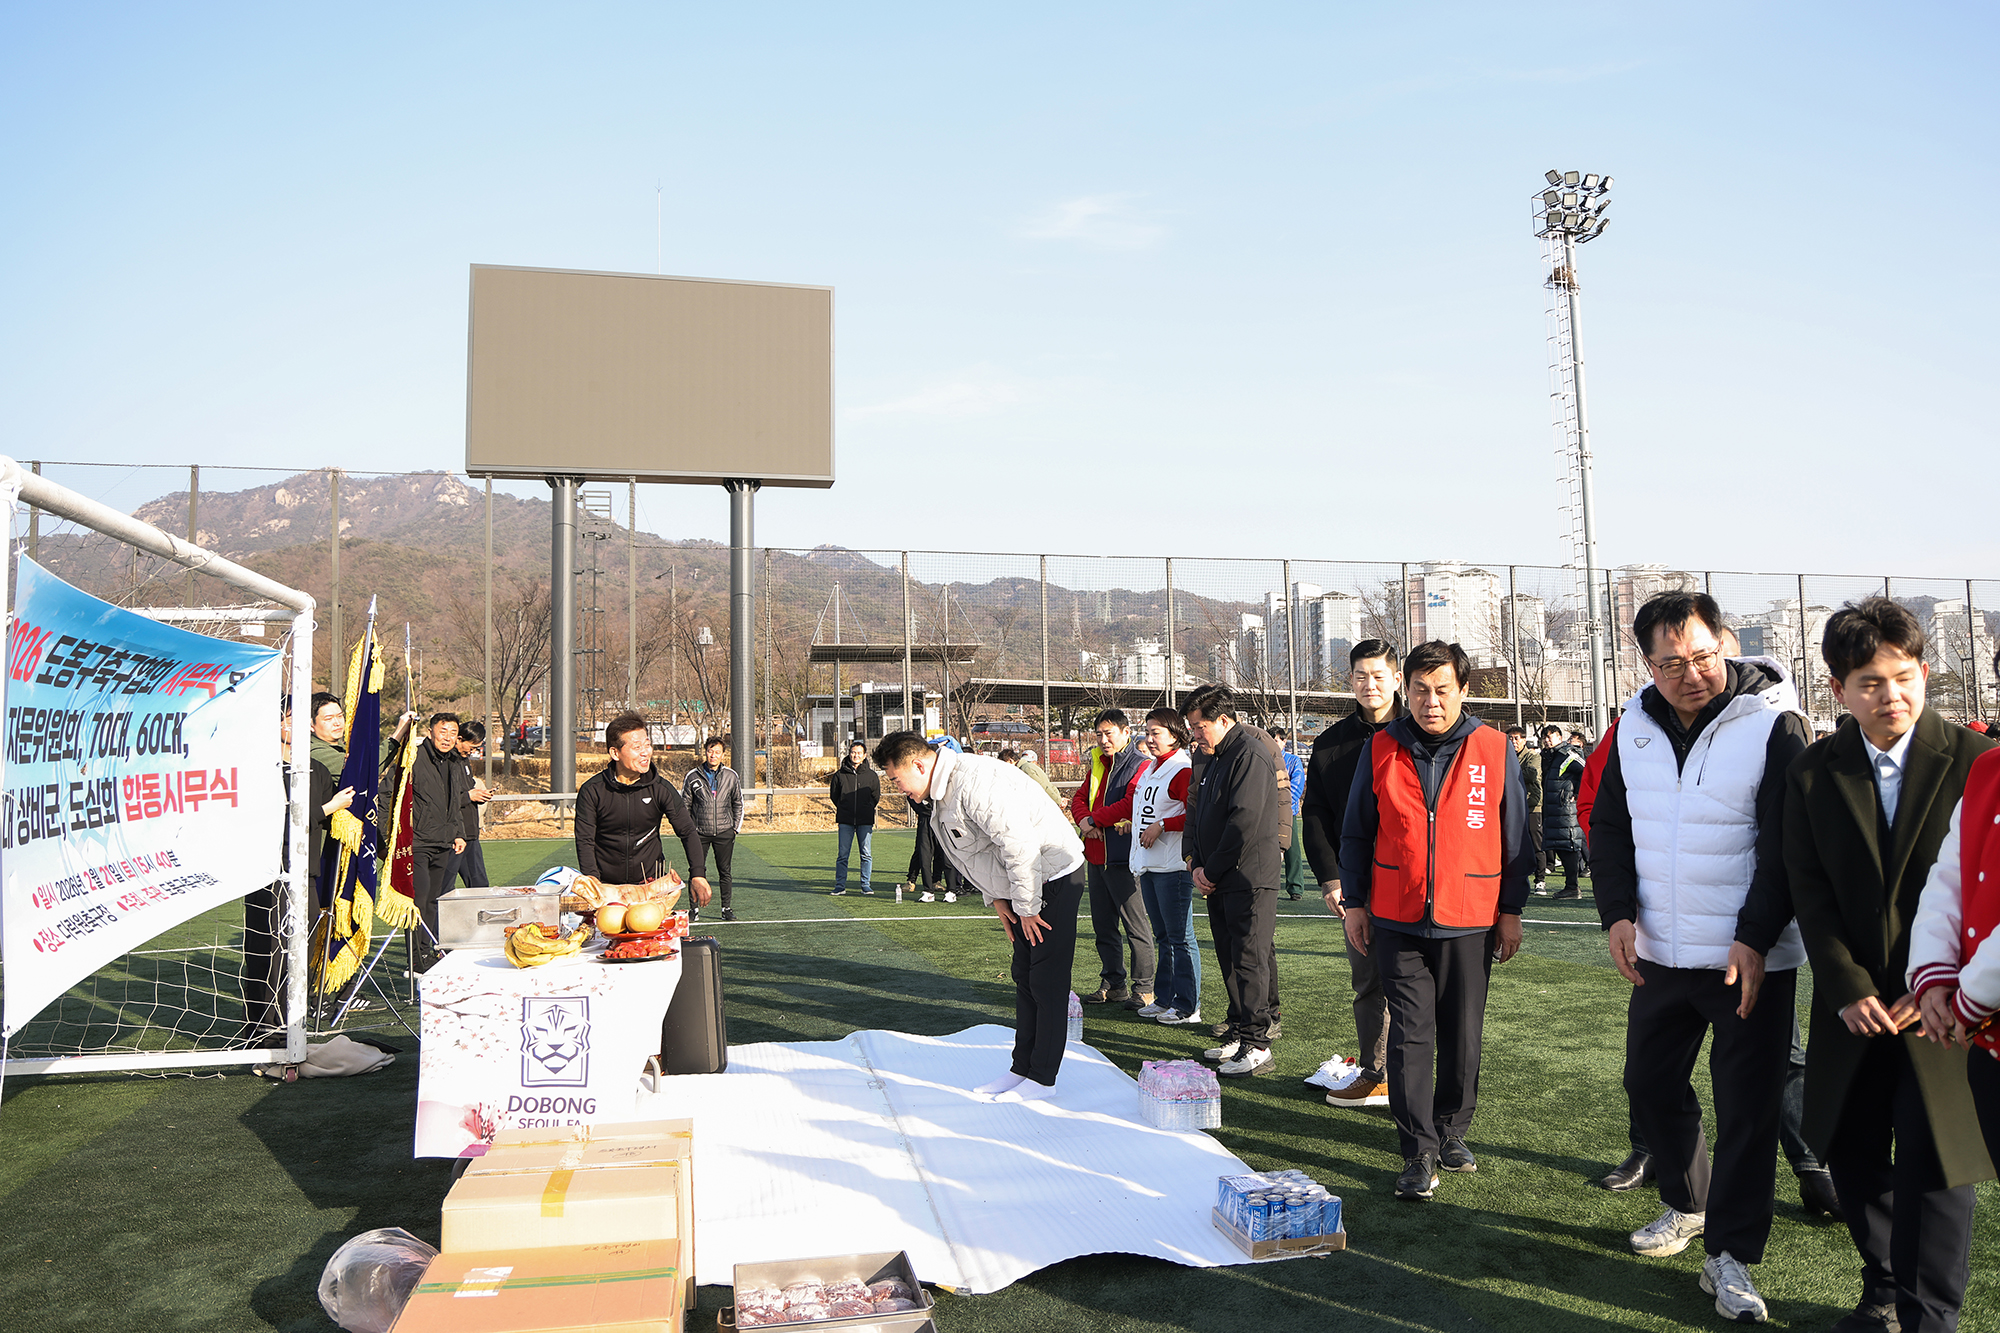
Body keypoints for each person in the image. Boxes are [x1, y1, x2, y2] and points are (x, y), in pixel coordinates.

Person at [1590, 591, 1810, 1324]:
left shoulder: (1775, 724)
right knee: (1649, 1083)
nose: (1691, 674)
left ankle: (1733, 1252)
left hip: (1750, 957)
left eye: (1703, 656)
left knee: (1747, 1110)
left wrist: (1754, 936)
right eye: (1671, 663)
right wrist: (1617, 912)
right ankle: (1687, 1203)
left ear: (1728, 640)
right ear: (1646, 663)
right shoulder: (1632, 724)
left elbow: (1788, 847)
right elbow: (1610, 825)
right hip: (1659, 950)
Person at [1785, 598, 1995, 1333]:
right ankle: (1884, 1281)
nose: (1891, 694)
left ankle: (1928, 1314)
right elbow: (1808, 890)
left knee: (1940, 1164)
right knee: (1851, 1146)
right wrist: (1846, 986)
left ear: (1926, 673)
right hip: (1855, 1007)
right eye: (1869, 681)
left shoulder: (1977, 761)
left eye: (1904, 676)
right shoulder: (1813, 772)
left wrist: (1933, 987)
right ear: (1837, 688)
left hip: (1945, 1006)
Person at [1340, 641, 1530, 1202]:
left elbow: (1516, 840)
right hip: (1397, 916)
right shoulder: (1380, 747)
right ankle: (1418, 1149)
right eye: (1419, 690)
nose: (1430, 701)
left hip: (1471, 917)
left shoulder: (1494, 749)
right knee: (1409, 1036)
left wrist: (1512, 911)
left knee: (1463, 1035)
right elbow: (1357, 832)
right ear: (1406, 690)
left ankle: (1452, 1130)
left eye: (1442, 690)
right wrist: (1356, 902)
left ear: (1464, 691)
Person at [875, 730, 1086, 1100]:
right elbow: (977, 854)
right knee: (1025, 974)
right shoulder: (941, 790)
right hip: (1025, 886)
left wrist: (1027, 908)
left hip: (1051, 876)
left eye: (897, 779)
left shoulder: (974, 782)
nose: (899, 789)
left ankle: (1042, 1078)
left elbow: (1019, 847)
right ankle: (1022, 1068)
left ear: (920, 765)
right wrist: (998, 899)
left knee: (1046, 980)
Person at [1300, 640, 1404, 1109]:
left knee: (1419, 984)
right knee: (1368, 981)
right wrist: (1331, 879)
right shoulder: (1330, 742)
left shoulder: (1419, 730)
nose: (1370, 684)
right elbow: (1316, 815)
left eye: (1379, 675)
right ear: (1350, 681)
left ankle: (1416, 1078)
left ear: (1397, 678)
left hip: (1416, 880)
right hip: (1358, 885)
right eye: (1361, 676)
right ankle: (1375, 1072)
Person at [1906, 665, 2000, 1177]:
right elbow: (1949, 877)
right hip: (1987, 1039)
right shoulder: (1990, 770)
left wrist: (1967, 997)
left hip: (1979, 1013)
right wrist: (1934, 976)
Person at [1184, 684, 1281, 1076]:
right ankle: (1241, 1032)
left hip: (1249, 877)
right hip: (1219, 877)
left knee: (1249, 958)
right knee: (1229, 957)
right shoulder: (1215, 756)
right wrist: (1196, 862)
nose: (1194, 733)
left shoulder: (1250, 754)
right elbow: (1198, 812)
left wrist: (1212, 869)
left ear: (1223, 720)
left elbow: (1243, 821)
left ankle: (1258, 1042)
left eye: (1199, 726)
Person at [247, 699, 353, 1035]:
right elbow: (283, 821)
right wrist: (330, 806)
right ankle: (264, 1028)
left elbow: (324, 819)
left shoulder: (317, 770)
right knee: (270, 953)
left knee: (300, 949)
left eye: (296, 719)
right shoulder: (260, 767)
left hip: (307, 873)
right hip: (270, 872)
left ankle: (293, 1021)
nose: (291, 725)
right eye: (286, 719)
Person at [1089, 708, 1201, 1026]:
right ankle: (1164, 999)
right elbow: (1143, 808)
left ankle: (1188, 1006)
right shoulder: (1153, 767)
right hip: (1149, 864)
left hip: (1173, 865)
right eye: (1148, 732)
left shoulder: (1181, 768)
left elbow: (1193, 813)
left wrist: (1162, 825)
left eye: (1157, 733)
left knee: (1181, 937)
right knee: (1164, 937)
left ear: (1176, 735)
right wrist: (1133, 824)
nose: (1149, 739)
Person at [575, 712, 711, 909]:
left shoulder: (660, 788)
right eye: (637, 747)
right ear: (615, 753)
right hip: (608, 888)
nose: (645, 752)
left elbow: (687, 831)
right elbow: (585, 840)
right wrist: (595, 884)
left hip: (650, 886)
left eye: (647, 745)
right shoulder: (592, 791)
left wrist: (698, 874)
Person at [1073, 711, 1158, 1010]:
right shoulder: (1098, 762)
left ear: (1125, 732)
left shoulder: (1141, 764)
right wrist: (1085, 821)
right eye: (1099, 734)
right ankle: (1113, 983)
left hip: (1122, 858)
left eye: (1109, 733)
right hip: (1095, 857)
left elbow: (1131, 802)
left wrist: (1094, 819)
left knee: (1136, 926)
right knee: (1103, 926)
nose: (1103, 739)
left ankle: (1145, 988)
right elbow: (1079, 798)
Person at [409, 713, 470, 969]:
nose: (447, 737)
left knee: (434, 900)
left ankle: (427, 950)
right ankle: (416, 957)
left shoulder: (454, 761)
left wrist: (458, 832)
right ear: (430, 731)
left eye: (452, 733)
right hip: (416, 842)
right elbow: (389, 791)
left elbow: (455, 800)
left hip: (443, 840)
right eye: (442, 731)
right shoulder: (414, 758)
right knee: (418, 901)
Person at [684, 735, 744, 922]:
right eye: (710, 751)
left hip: (724, 832)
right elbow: (684, 806)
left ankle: (726, 908)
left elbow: (738, 803)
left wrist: (734, 828)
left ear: (722, 754)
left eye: (717, 752)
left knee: (724, 871)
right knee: (696, 871)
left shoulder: (731, 776)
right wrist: (690, 831)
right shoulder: (693, 776)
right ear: (706, 752)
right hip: (699, 833)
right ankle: (693, 910)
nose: (713, 755)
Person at [1538, 724, 1586, 898]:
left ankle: (1573, 887)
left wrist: (1578, 793)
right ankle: (1571, 886)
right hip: (1553, 807)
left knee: (1569, 847)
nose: (1547, 740)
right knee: (1559, 845)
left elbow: (1586, 770)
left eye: (1550, 736)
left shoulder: (1568, 753)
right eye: (1545, 737)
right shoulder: (1548, 756)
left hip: (1566, 808)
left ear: (1559, 737)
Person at [827, 741, 880, 897]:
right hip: (846, 820)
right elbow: (834, 795)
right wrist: (845, 807)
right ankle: (840, 886)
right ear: (849, 754)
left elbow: (875, 796)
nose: (855, 755)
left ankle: (865, 885)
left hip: (865, 820)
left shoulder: (871, 776)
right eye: (853, 752)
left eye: (859, 753)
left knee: (866, 854)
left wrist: (866, 807)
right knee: (843, 854)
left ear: (864, 756)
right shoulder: (840, 775)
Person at [446, 720, 493, 890]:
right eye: (472, 746)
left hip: (470, 833)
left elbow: (465, 792)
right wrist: (468, 796)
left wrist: (479, 795)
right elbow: (441, 799)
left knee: (480, 886)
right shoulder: (446, 762)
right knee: (444, 888)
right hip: (453, 835)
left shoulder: (464, 761)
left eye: (477, 747)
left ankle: (479, 916)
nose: (473, 751)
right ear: (459, 739)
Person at [1506, 725, 1545, 891]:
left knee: (1536, 844)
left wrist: (1508, 769)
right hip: (1512, 805)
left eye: (1517, 738)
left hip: (1532, 804)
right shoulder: (1505, 755)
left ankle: (1540, 880)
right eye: (1510, 738)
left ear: (1523, 740)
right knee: (1514, 844)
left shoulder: (1532, 756)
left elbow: (1531, 774)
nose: (1514, 742)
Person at [1271, 728, 1308, 901]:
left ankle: (1295, 888)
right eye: (1271, 739)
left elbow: (1297, 786)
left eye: (1277, 740)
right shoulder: (1264, 759)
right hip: (1266, 813)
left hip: (1287, 812)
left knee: (1292, 850)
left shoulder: (1293, 761)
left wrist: (1281, 804)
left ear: (1284, 742)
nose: (1274, 743)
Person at [1001, 748, 1066, 806]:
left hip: (1043, 804)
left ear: (1010, 760)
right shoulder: (1029, 766)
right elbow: (1049, 785)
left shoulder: (1024, 769)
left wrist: (1058, 801)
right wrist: (1058, 799)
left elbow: (1041, 786)